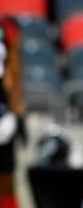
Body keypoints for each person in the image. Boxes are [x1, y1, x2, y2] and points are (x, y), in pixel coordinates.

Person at [0, 16, 26, 208]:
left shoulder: (6, 27)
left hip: (2, 108)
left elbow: (13, 74)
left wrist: (16, 110)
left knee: (5, 175)